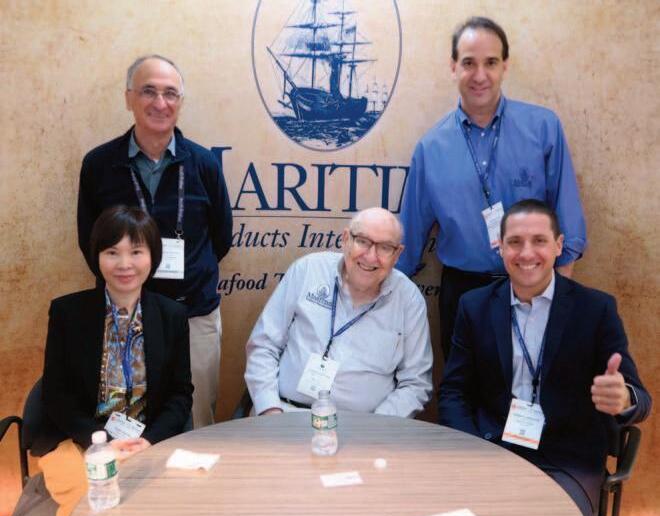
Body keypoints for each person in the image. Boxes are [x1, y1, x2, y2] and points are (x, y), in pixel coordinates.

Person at [438, 200, 651, 516]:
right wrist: (473, 448)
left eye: (539, 240)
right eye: (515, 242)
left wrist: (624, 398)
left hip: (566, 460)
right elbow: (453, 392)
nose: (526, 253)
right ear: (500, 246)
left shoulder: (595, 309)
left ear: (558, 245)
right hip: (492, 449)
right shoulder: (475, 306)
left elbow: (641, 399)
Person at [396, 16, 587, 358]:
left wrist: (555, 302)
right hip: (463, 295)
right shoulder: (430, 149)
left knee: (531, 387)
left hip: (534, 286)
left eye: (491, 62)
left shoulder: (543, 129)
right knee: (462, 386)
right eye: (469, 63)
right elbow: (408, 239)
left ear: (505, 66)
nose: (480, 75)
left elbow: (568, 223)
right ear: (453, 67)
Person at [77, 54, 232, 427]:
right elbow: (90, 242)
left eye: (170, 93)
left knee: (195, 422)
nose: (160, 103)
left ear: (180, 102)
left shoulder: (204, 165)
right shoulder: (99, 164)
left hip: (193, 316)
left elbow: (221, 237)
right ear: (128, 98)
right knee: (125, 423)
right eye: (148, 91)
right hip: (123, 318)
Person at [33, 205, 193, 516]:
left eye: (136, 251)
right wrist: (101, 442)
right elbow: (56, 395)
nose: (125, 264)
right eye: (112, 252)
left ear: (152, 256)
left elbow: (180, 395)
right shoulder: (68, 312)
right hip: (79, 441)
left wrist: (148, 441)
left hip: (142, 443)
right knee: (91, 505)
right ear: (97, 256)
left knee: (163, 513)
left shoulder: (172, 315)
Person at [245, 208, 433, 417]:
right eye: (362, 241)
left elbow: (416, 384)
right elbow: (263, 346)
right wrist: (270, 410)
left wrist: (376, 428)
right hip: (285, 413)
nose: (371, 257)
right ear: (345, 240)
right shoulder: (307, 270)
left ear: (397, 254)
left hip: (364, 426)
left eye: (385, 248)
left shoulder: (409, 300)